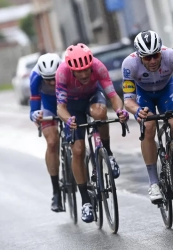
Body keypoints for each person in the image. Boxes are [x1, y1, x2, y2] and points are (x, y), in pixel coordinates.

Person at [122, 30, 173, 204]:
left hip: (167, 91)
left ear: (161, 51)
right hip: (144, 95)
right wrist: (137, 111)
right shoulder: (129, 64)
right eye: (147, 57)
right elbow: (128, 100)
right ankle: (153, 182)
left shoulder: (171, 57)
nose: (152, 61)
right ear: (139, 56)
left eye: (155, 55)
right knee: (149, 127)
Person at [56, 43, 129, 223]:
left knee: (100, 113)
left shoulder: (98, 66)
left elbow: (113, 96)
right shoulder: (62, 73)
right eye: (78, 71)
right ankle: (86, 201)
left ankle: (108, 153)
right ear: (71, 69)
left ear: (91, 65)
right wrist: (69, 120)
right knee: (78, 150)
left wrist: (120, 111)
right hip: (72, 106)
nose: (83, 74)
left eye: (86, 70)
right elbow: (61, 108)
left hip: (92, 96)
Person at [29, 53, 63, 212]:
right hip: (48, 104)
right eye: (47, 79)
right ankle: (56, 191)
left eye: (54, 77)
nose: (52, 82)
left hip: (66, 101)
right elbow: (34, 107)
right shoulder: (35, 77)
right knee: (52, 142)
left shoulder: (67, 69)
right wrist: (35, 114)